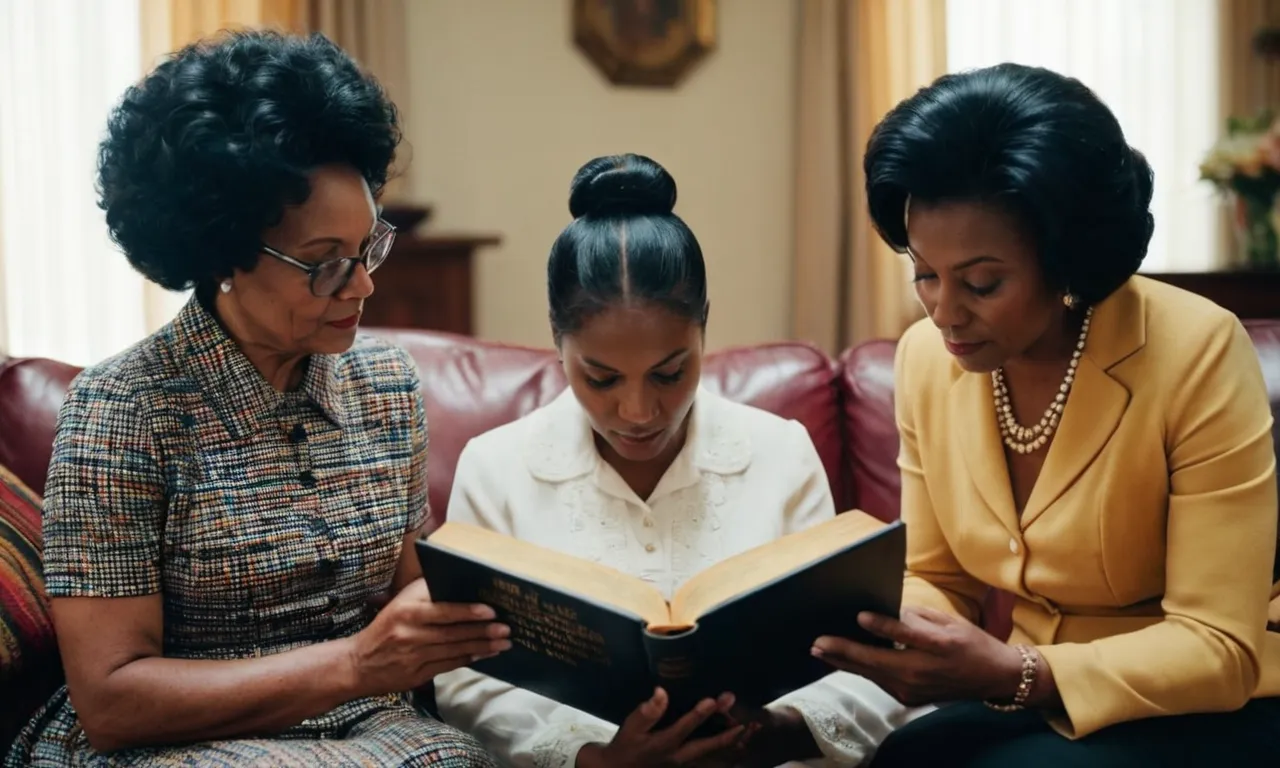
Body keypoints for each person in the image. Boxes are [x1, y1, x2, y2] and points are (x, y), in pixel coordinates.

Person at [6, 30, 509, 767]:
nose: (363, 284)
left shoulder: (387, 388)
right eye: (324, 265)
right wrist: (356, 665)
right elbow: (112, 701)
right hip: (173, 746)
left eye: (368, 248)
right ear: (222, 255)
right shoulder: (123, 411)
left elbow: (417, 608)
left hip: (374, 729)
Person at [808, 62, 1280, 766]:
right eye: (924, 273)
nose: (943, 311)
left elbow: (1218, 644)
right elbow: (940, 577)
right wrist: (875, 627)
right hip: (1033, 693)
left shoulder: (1197, 349)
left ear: (1069, 259)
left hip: (1217, 700)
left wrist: (1016, 672)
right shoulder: (925, 359)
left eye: (981, 282)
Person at [433, 154, 925, 767]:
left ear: (703, 331)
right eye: (602, 378)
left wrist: (774, 730)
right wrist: (593, 760)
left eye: (669, 373)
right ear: (557, 342)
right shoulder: (495, 468)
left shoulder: (779, 451)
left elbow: (840, 652)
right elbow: (467, 681)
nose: (638, 411)